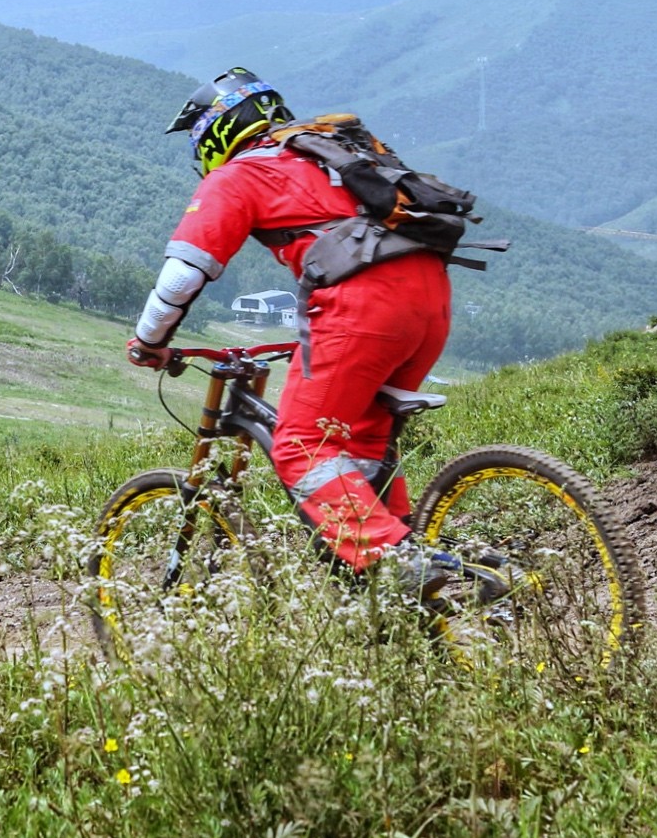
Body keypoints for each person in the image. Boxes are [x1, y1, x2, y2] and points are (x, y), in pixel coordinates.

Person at [126, 68, 456, 583]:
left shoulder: (239, 175)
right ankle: (408, 585)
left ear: (215, 133)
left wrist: (149, 341)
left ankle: (401, 564)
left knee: (301, 443)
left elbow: (181, 276)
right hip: (431, 294)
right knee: (359, 441)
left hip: (361, 305)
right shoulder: (334, 153)